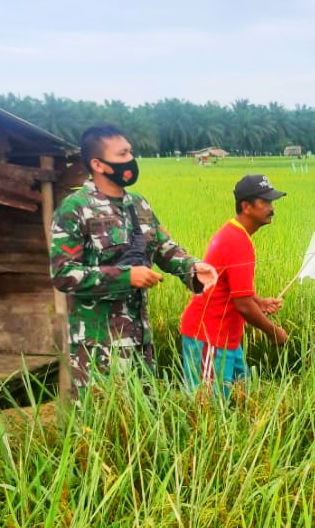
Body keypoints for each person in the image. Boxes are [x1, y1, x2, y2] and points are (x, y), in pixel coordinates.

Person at [50, 124, 216, 390]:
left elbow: (163, 247)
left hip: (141, 342)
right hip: (98, 348)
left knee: (145, 413)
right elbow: (63, 274)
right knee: (106, 416)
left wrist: (193, 268)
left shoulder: (139, 204)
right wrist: (126, 277)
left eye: (130, 152)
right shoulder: (75, 209)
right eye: (122, 154)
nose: (130, 159)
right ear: (98, 164)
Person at [179, 174, 289, 398]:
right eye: (265, 202)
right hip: (209, 337)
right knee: (207, 407)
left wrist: (259, 302)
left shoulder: (234, 234)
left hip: (227, 338)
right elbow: (243, 305)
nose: (271, 208)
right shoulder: (237, 241)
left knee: (244, 398)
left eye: (271, 201)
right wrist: (274, 332)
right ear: (246, 206)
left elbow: (231, 287)